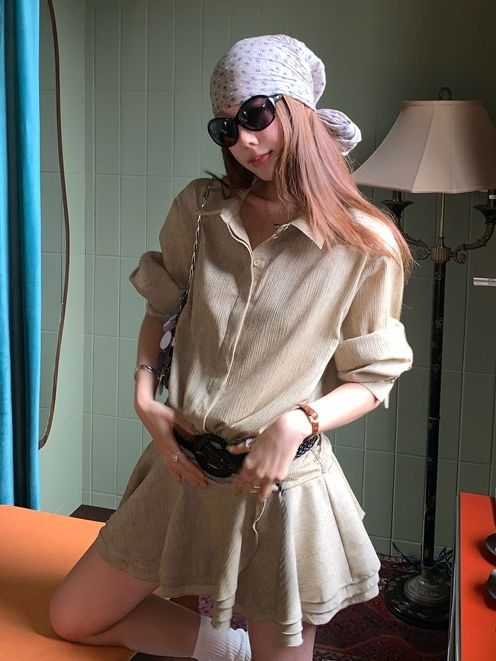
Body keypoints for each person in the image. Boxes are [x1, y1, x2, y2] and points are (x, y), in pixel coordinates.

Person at [49, 34, 413, 661]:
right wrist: (144, 394)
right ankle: (226, 649)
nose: (244, 140)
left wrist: (298, 421)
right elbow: (162, 306)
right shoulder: (199, 210)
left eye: (255, 114)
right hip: (183, 468)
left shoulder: (365, 243)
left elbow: (373, 376)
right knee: (72, 617)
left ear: (298, 108)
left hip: (277, 489)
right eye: (227, 127)